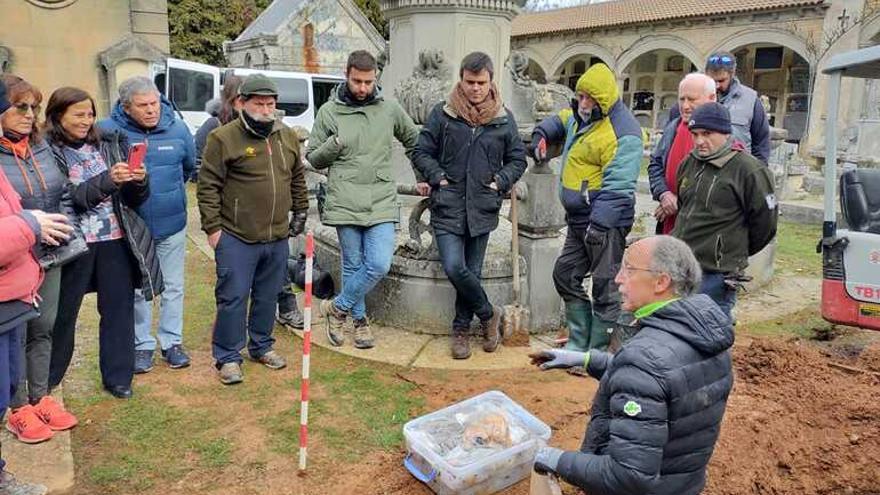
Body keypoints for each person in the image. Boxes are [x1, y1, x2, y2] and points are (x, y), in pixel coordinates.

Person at [529, 235, 734, 495]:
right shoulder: (704, 334)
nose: (618, 279)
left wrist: (557, 459)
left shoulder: (643, 360)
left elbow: (627, 476)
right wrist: (587, 359)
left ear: (661, 282)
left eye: (629, 269)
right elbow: (667, 376)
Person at [47, 87, 164, 400]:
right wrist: (109, 179)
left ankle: (118, 378)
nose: (87, 121)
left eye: (90, 114)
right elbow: (68, 198)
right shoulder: (48, 150)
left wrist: (139, 181)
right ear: (58, 116)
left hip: (114, 239)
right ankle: (48, 381)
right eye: (78, 115)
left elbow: (134, 200)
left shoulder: (109, 143)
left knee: (118, 312)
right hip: (72, 244)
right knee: (62, 315)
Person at [413, 52, 527, 359]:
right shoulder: (443, 113)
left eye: (481, 82)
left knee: (471, 273)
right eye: (469, 82)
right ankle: (489, 314)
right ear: (461, 80)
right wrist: (437, 176)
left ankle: (461, 330)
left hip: (483, 207)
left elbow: (518, 159)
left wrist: (500, 181)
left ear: (490, 82)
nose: (475, 88)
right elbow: (421, 151)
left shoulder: (503, 118)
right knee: (454, 266)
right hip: (448, 205)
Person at [198, 74, 309, 385]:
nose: (265, 109)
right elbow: (207, 187)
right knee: (233, 296)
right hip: (236, 235)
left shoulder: (285, 136)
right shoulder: (223, 139)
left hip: (276, 235)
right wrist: (213, 229)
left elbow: (297, 177)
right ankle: (228, 357)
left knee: (268, 295)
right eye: (258, 103)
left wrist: (301, 209)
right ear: (240, 103)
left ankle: (261, 345)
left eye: (271, 104)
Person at [307, 50, 419, 349]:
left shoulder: (390, 108)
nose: (362, 88)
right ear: (347, 75)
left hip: (380, 197)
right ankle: (359, 322)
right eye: (357, 81)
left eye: (368, 82)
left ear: (375, 79)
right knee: (353, 264)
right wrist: (334, 145)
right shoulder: (329, 112)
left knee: (379, 264)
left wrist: (423, 178)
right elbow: (314, 158)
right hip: (344, 197)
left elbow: (414, 141)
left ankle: (335, 308)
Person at [531, 63, 642, 352]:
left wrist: (600, 225)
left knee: (606, 286)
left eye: (588, 99)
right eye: (580, 97)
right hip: (580, 220)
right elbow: (559, 120)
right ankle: (579, 342)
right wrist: (541, 136)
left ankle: (597, 350)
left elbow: (618, 186)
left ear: (603, 100)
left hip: (606, 222)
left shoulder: (623, 132)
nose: (582, 103)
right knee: (565, 274)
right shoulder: (581, 118)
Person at [0, 75, 79, 444]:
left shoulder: (42, 147)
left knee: (44, 328)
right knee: (14, 334)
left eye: (34, 107)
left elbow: (62, 193)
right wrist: (31, 231)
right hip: (13, 259)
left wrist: (64, 227)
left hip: (50, 254)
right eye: (20, 107)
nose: (30, 115)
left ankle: (41, 396)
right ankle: (18, 409)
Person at [99, 77, 195, 374]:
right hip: (132, 226)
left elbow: (189, 168)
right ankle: (142, 345)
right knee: (138, 287)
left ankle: (172, 342)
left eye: (154, 103)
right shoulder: (109, 131)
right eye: (143, 106)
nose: (151, 110)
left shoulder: (178, 128)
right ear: (127, 107)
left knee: (173, 285)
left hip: (172, 222)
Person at [672, 102, 777, 318]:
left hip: (717, 273)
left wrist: (730, 252)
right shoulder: (688, 163)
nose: (700, 141)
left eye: (707, 133)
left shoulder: (749, 170)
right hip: (683, 265)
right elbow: (684, 209)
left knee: (712, 332)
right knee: (679, 329)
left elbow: (766, 224)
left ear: (725, 132)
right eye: (695, 134)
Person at [648, 73, 717, 235]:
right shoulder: (673, 127)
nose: (685, 106)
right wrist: (664, 194)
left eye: (692, 99)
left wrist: (678, 204)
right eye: (681, 99)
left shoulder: (722, 134)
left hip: (700, 231)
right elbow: (655, 164)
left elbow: (717, 182)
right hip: (669, 224)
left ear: (712, 98)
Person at [705, 51, 770, 163]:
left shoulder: (750, 99)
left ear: (732, 74)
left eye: (721, 80)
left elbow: (761, 143)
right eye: (712, 80)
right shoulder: (695, 97)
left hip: (739, 171)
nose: (716, 85)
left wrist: (759, 172)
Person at [194, 75, 243, 182]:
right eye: (241, 98)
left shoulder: (250, 125)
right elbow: (197, 163)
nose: (244, 102)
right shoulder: (213, 124)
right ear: (232, 98)